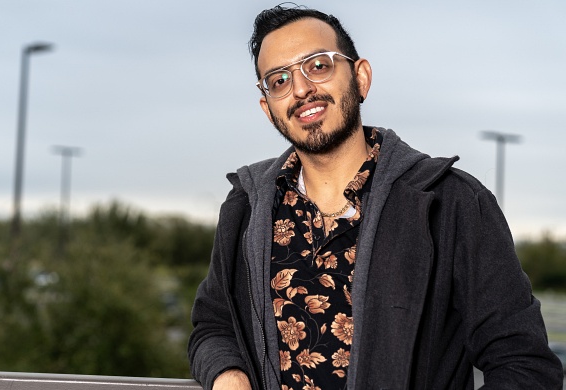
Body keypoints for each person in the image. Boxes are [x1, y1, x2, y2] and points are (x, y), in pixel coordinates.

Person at [188, 5, 564, 389]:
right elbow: (213, 326)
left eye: (318, 66)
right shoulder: (245, 209)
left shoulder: (450, 203)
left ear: (361, 78)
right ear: (269, 109)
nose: (300, 89)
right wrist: (227, 375)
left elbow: (524, 365)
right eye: (279, 79)